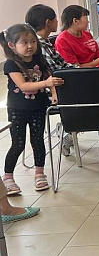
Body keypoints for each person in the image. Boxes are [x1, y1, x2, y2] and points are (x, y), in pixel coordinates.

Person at [2, 24, 63, 195]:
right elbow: (23, 86)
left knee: (37, 141)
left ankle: (39, 174)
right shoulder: (11, 64)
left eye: (33, 42)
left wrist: (54, 92)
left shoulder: (39, 60)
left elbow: (50, 78)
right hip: (18, 109)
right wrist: (46, 83)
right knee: (18, 143)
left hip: (38, 107)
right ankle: (8, 177)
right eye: (24, 42)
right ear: (12, 45)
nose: (30, 46)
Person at [25, 4, 79, 156]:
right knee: (94, 96)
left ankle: (69, 128)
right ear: (48, 22)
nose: (58, 21)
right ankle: (68, 130)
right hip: (48, 91)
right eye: (55, 18)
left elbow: (63, 64)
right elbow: (54, 72)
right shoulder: (38, 46)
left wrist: (82, 71)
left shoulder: (47, 42)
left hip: (61, 84)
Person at [54, 5, 99, 69]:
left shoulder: (87, 34)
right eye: (86, 18)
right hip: (82, 73)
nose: (88, 22)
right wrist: (96, 62)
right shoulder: (62, 40)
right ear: (75, 21)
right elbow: (75, 68)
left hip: (93, 68)